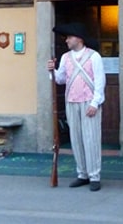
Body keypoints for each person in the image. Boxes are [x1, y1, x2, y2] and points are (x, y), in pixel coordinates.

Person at [47, 22, 106, 192]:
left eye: (69, 37)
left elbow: (100, 81)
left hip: (89, 102)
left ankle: (94, 175)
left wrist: (95, 103)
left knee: (91, 139)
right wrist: (51, 70)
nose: (66, 40)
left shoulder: (94, 56)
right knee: (76, 138)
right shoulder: (66, 57)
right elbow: (60, 79)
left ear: (79, 39)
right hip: (72, 102)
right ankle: (82, 174)